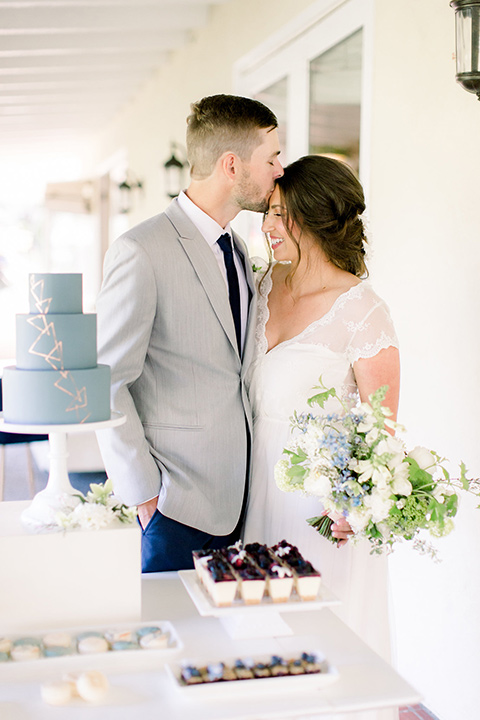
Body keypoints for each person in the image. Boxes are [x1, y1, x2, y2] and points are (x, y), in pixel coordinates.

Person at [96, 94, 283, 573]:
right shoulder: (141, 250)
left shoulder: (237, 247)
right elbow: (105, 383)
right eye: (271, 158)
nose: (279, 170)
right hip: (175, 508)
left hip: (242, 503)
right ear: (231, 165)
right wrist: (146, 496)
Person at [243, 155, 400, 720]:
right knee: (260, 647)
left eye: (280, 215)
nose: (267, 226)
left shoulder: (363, 311)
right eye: (268, 212)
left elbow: (382, 430)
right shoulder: (264, 285)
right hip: (253, 495)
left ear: (313, 219)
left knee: (318, 656)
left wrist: (356, 506)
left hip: (318, 508)